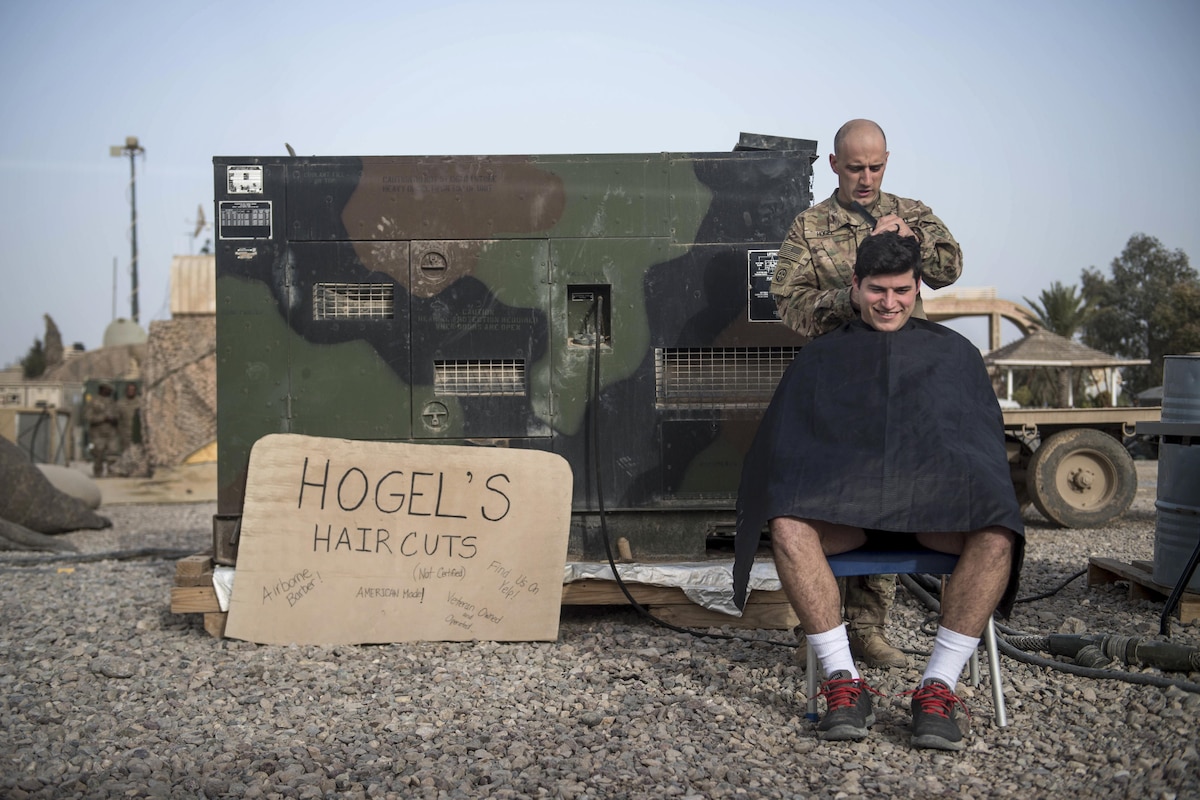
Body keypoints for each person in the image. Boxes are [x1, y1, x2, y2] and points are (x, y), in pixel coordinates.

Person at [732, 231, 1023, 751]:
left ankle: (938, 686)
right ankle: (844, 681)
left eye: (902, 291)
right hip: (847, 516)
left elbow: (976, 450)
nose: (890, 303)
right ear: (855, 285)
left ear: (918, 289)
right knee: (787, 524)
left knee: (999, 530)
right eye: (877, 291)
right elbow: (791, 449)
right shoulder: (822, 356)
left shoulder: (954, 355)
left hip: (933, 517)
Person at [767, 118, 964, 669]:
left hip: (908, 384)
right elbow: (788, 303)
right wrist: (848, 302)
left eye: (875, 166)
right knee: (836, 498)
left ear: (887, 161)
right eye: (855, 167)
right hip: (840, 387)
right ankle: (828, 631)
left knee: (895, 492)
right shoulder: (809, 228)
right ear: (834, 165)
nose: (866, 177)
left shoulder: (912, 212)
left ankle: (871, 632)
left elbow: (950, 268)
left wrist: (914, 240)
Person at [86, 382, 119, 478]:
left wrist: (114, 419)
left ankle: (112, 472)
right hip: (98, 433)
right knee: (98, 454)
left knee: (113, 453)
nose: (109, 391)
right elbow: (89, 417)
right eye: (107, 389)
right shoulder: (93, 401)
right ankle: (98, 473)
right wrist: (103, 418)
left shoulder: (112, 402)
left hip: (111, 433)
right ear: (102, 389)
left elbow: (117, 415)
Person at [117, 382, 142, 453]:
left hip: (138, 435)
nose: (131, 391)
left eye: (133, 390)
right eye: (129, 390)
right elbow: (117, 419)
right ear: (126, 391)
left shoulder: (141, 402)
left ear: (135, 391)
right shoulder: (120, 403)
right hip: (125, 435)